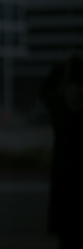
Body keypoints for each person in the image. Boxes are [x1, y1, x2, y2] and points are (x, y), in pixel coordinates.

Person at [39, 54, 83, 249]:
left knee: (67, 241)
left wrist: (60, 67)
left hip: (65, 185)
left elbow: (45, 91)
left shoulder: (61, 109)